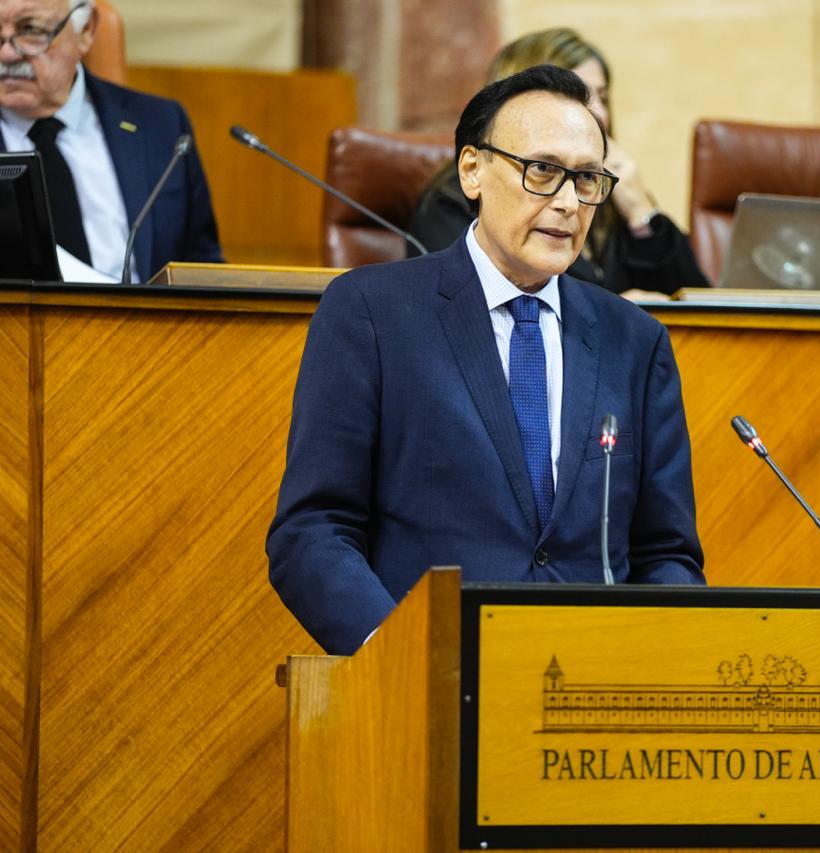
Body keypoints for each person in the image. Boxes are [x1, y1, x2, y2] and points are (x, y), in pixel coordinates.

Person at [267, 65, 705, 655]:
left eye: (586, 179)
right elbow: (313, 530)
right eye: (543, 171)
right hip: (427, 673)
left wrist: (652, 658)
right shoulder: (371, 312)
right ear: (472, 170)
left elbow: (666, 552)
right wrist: (403, 658)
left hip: (589, 678)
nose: (568, 203)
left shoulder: (636, 340)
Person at [407, 28, 708, 296]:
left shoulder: (606, 190)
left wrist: (641, 213)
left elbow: (702, 304)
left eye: (602, 97)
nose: (598, 113)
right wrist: (617, 314)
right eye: (576, 94)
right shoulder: (453, 198)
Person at [0, 0, 221, 282]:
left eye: (30, 30)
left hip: (146, 311)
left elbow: (203, 266)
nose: (7, 53)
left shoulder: (161, 125)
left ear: (86, 30)